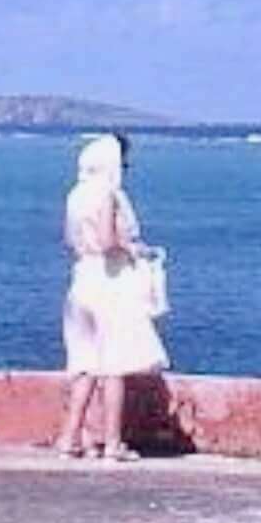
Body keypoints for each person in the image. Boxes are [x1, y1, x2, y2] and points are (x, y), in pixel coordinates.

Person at [50, 132, 167, 462]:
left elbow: (70, 240)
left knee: (84, 364)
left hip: (82, 279)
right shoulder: (109, 195)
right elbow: (106, 241)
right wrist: (136, 250)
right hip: (109, 282)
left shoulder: (75, 195)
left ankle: (69, 437)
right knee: (115, 364)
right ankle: (113, 443)